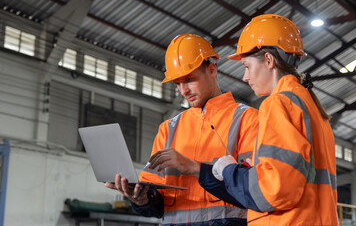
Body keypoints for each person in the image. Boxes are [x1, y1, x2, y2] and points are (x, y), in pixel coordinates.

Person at [198, 14, 338, 225]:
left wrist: (229, 170)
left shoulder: (278, 104)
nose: (245, 77)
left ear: (269, 60)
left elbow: (275, 189)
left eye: (246, 66)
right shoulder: (312, 108)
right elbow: (295, 173)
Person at [105, 34, 259, 225]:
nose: (183, 90)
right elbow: (158, 202)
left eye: (189, 79)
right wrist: (142, 199)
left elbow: (253, 190)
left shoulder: (247, 119)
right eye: (177, 83)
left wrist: (195, 169)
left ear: (212, 70)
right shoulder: (168, 129)